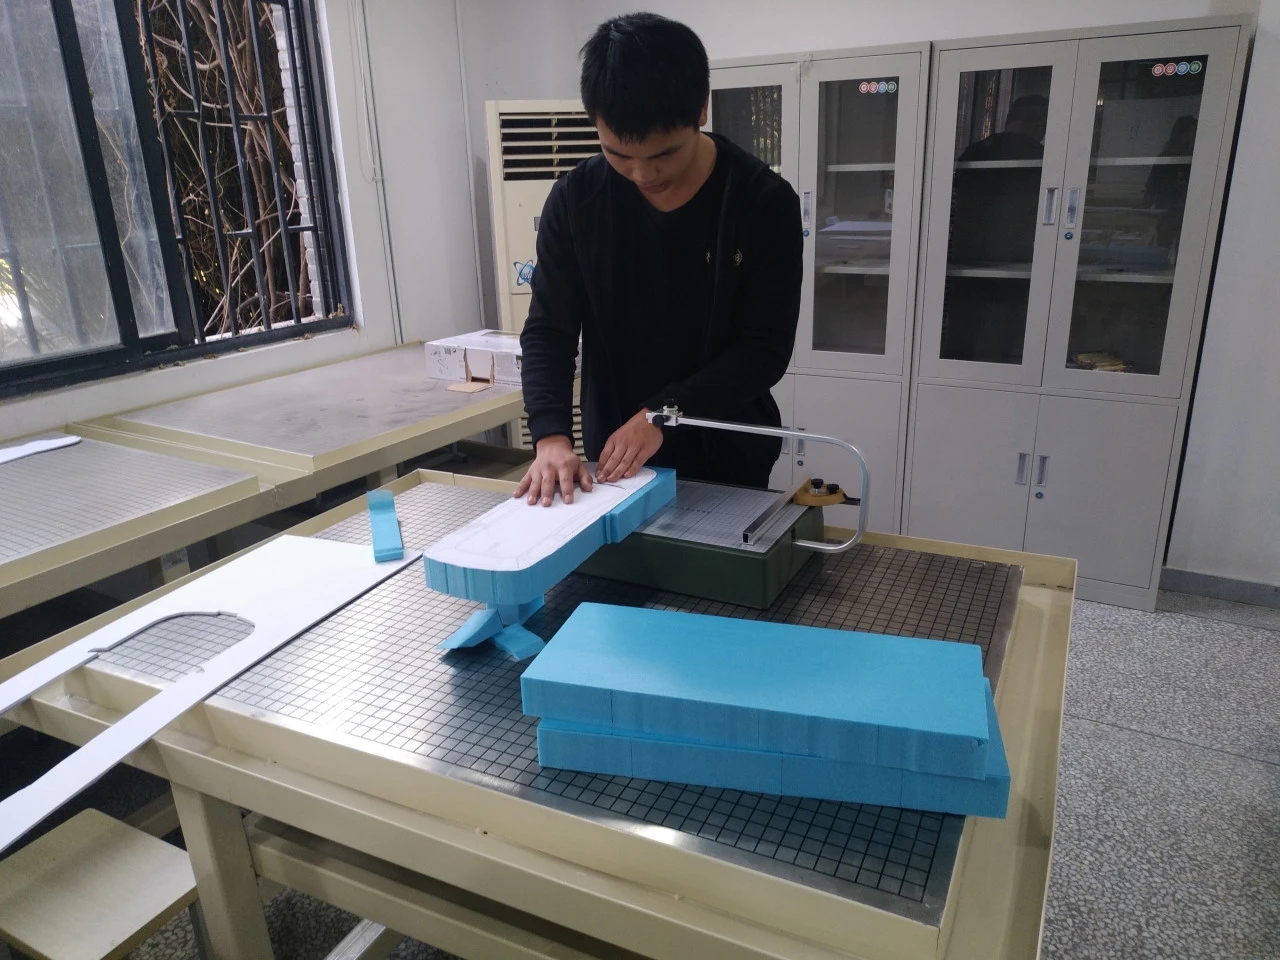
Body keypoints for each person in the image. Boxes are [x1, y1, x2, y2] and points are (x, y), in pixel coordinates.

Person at [515, 12, 803, 506]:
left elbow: (764, 350)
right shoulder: (576, 201)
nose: (642, 175)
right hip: (616, 464)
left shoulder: (761, 203)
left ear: (702, 109)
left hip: (728, 455)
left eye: (663, 155)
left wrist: (662, 413)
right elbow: (549, 330)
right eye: (618, 155)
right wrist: (551, 436)